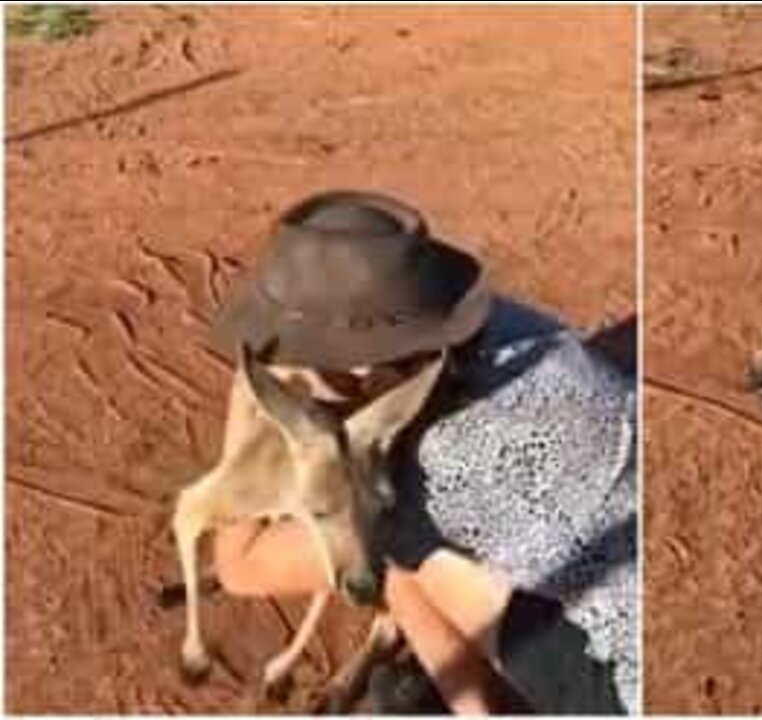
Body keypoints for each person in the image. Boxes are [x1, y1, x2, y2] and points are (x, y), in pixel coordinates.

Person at [206, 190, 637, 714]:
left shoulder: (424, 467)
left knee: (390, 553)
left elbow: (241, 563)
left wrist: (252, 390)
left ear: (365, 373)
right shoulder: (508, 327)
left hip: (624, 679)